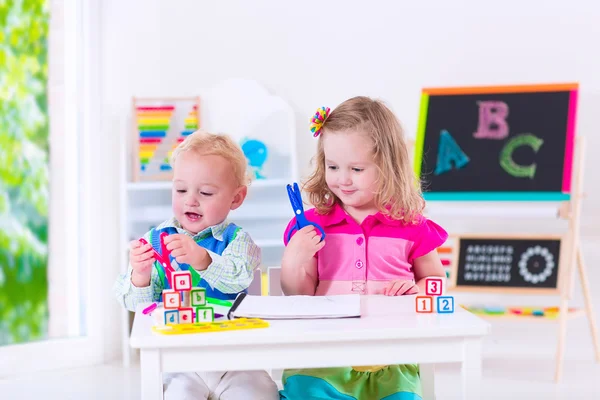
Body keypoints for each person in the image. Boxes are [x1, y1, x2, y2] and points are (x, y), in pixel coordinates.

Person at [279, 97, 449, 400]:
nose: (342, 179)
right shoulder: (313, 226)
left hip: (392, 360)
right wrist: (294, 259)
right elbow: (298, 296)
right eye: (333, 166)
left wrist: (417, 292)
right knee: (303, 391)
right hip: (324, 359)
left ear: (387, 167)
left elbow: (435, 282)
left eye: (356, 169)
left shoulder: (410, 224)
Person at [114, 131, 279, 400]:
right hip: (181, 363)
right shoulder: (157, 239)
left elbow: (239, 277)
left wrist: (203, 259)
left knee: (261, 393)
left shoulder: (237, 240)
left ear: (236, 198)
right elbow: (134, 303)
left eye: (205, 192)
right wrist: (140, 275)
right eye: (181, 190)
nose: (190, 200)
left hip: (236, 360)